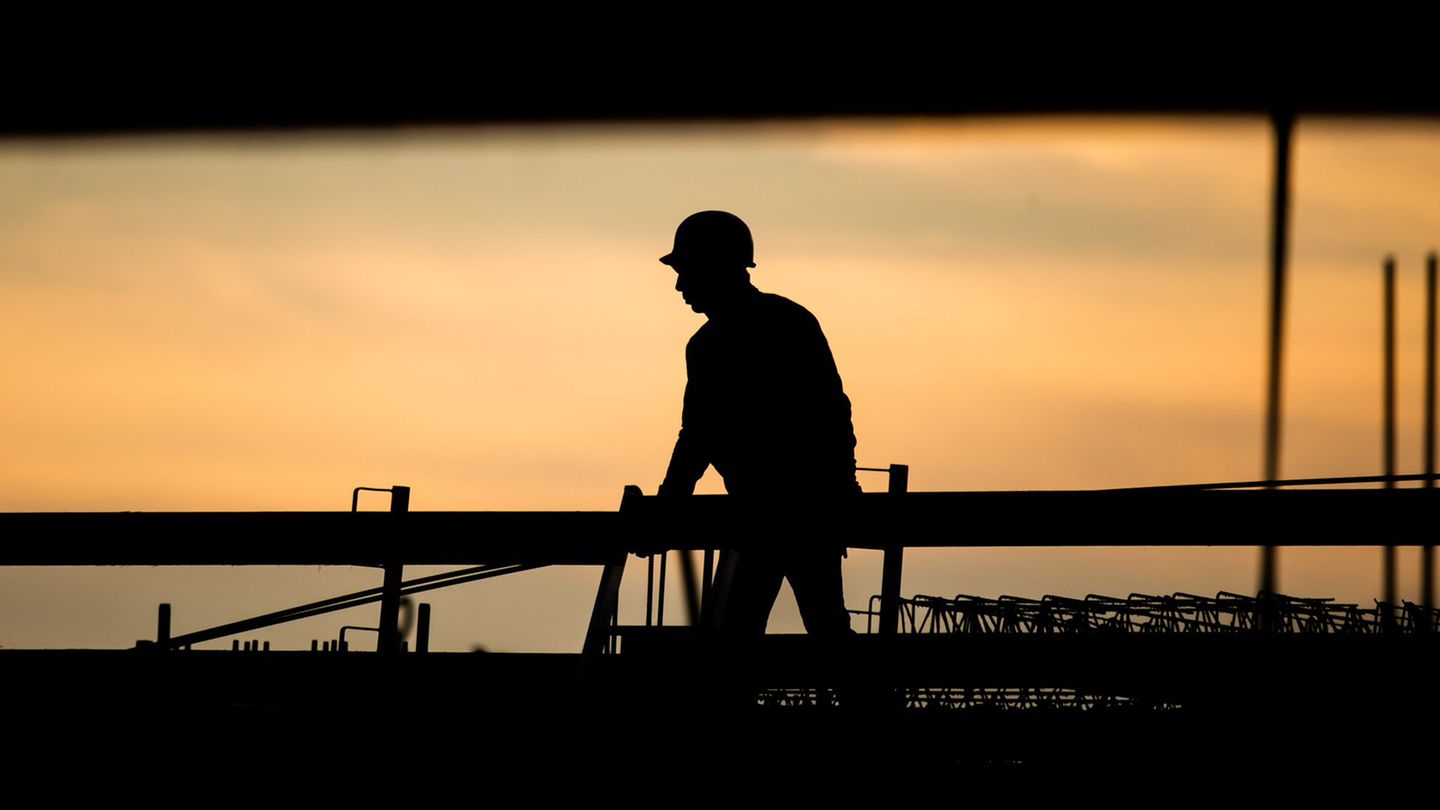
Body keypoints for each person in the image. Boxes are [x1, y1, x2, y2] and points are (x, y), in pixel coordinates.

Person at [657, 210, 859, 636]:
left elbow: (829, 412)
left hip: (801, 513)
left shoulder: (781, 324)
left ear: (717, 268)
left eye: (687, 272)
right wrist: (668, 502)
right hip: (765, 515)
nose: (679, 286)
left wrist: (668, 503)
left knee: (807, 631)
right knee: (749, 635)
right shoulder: (707, 344)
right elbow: (697, 435)